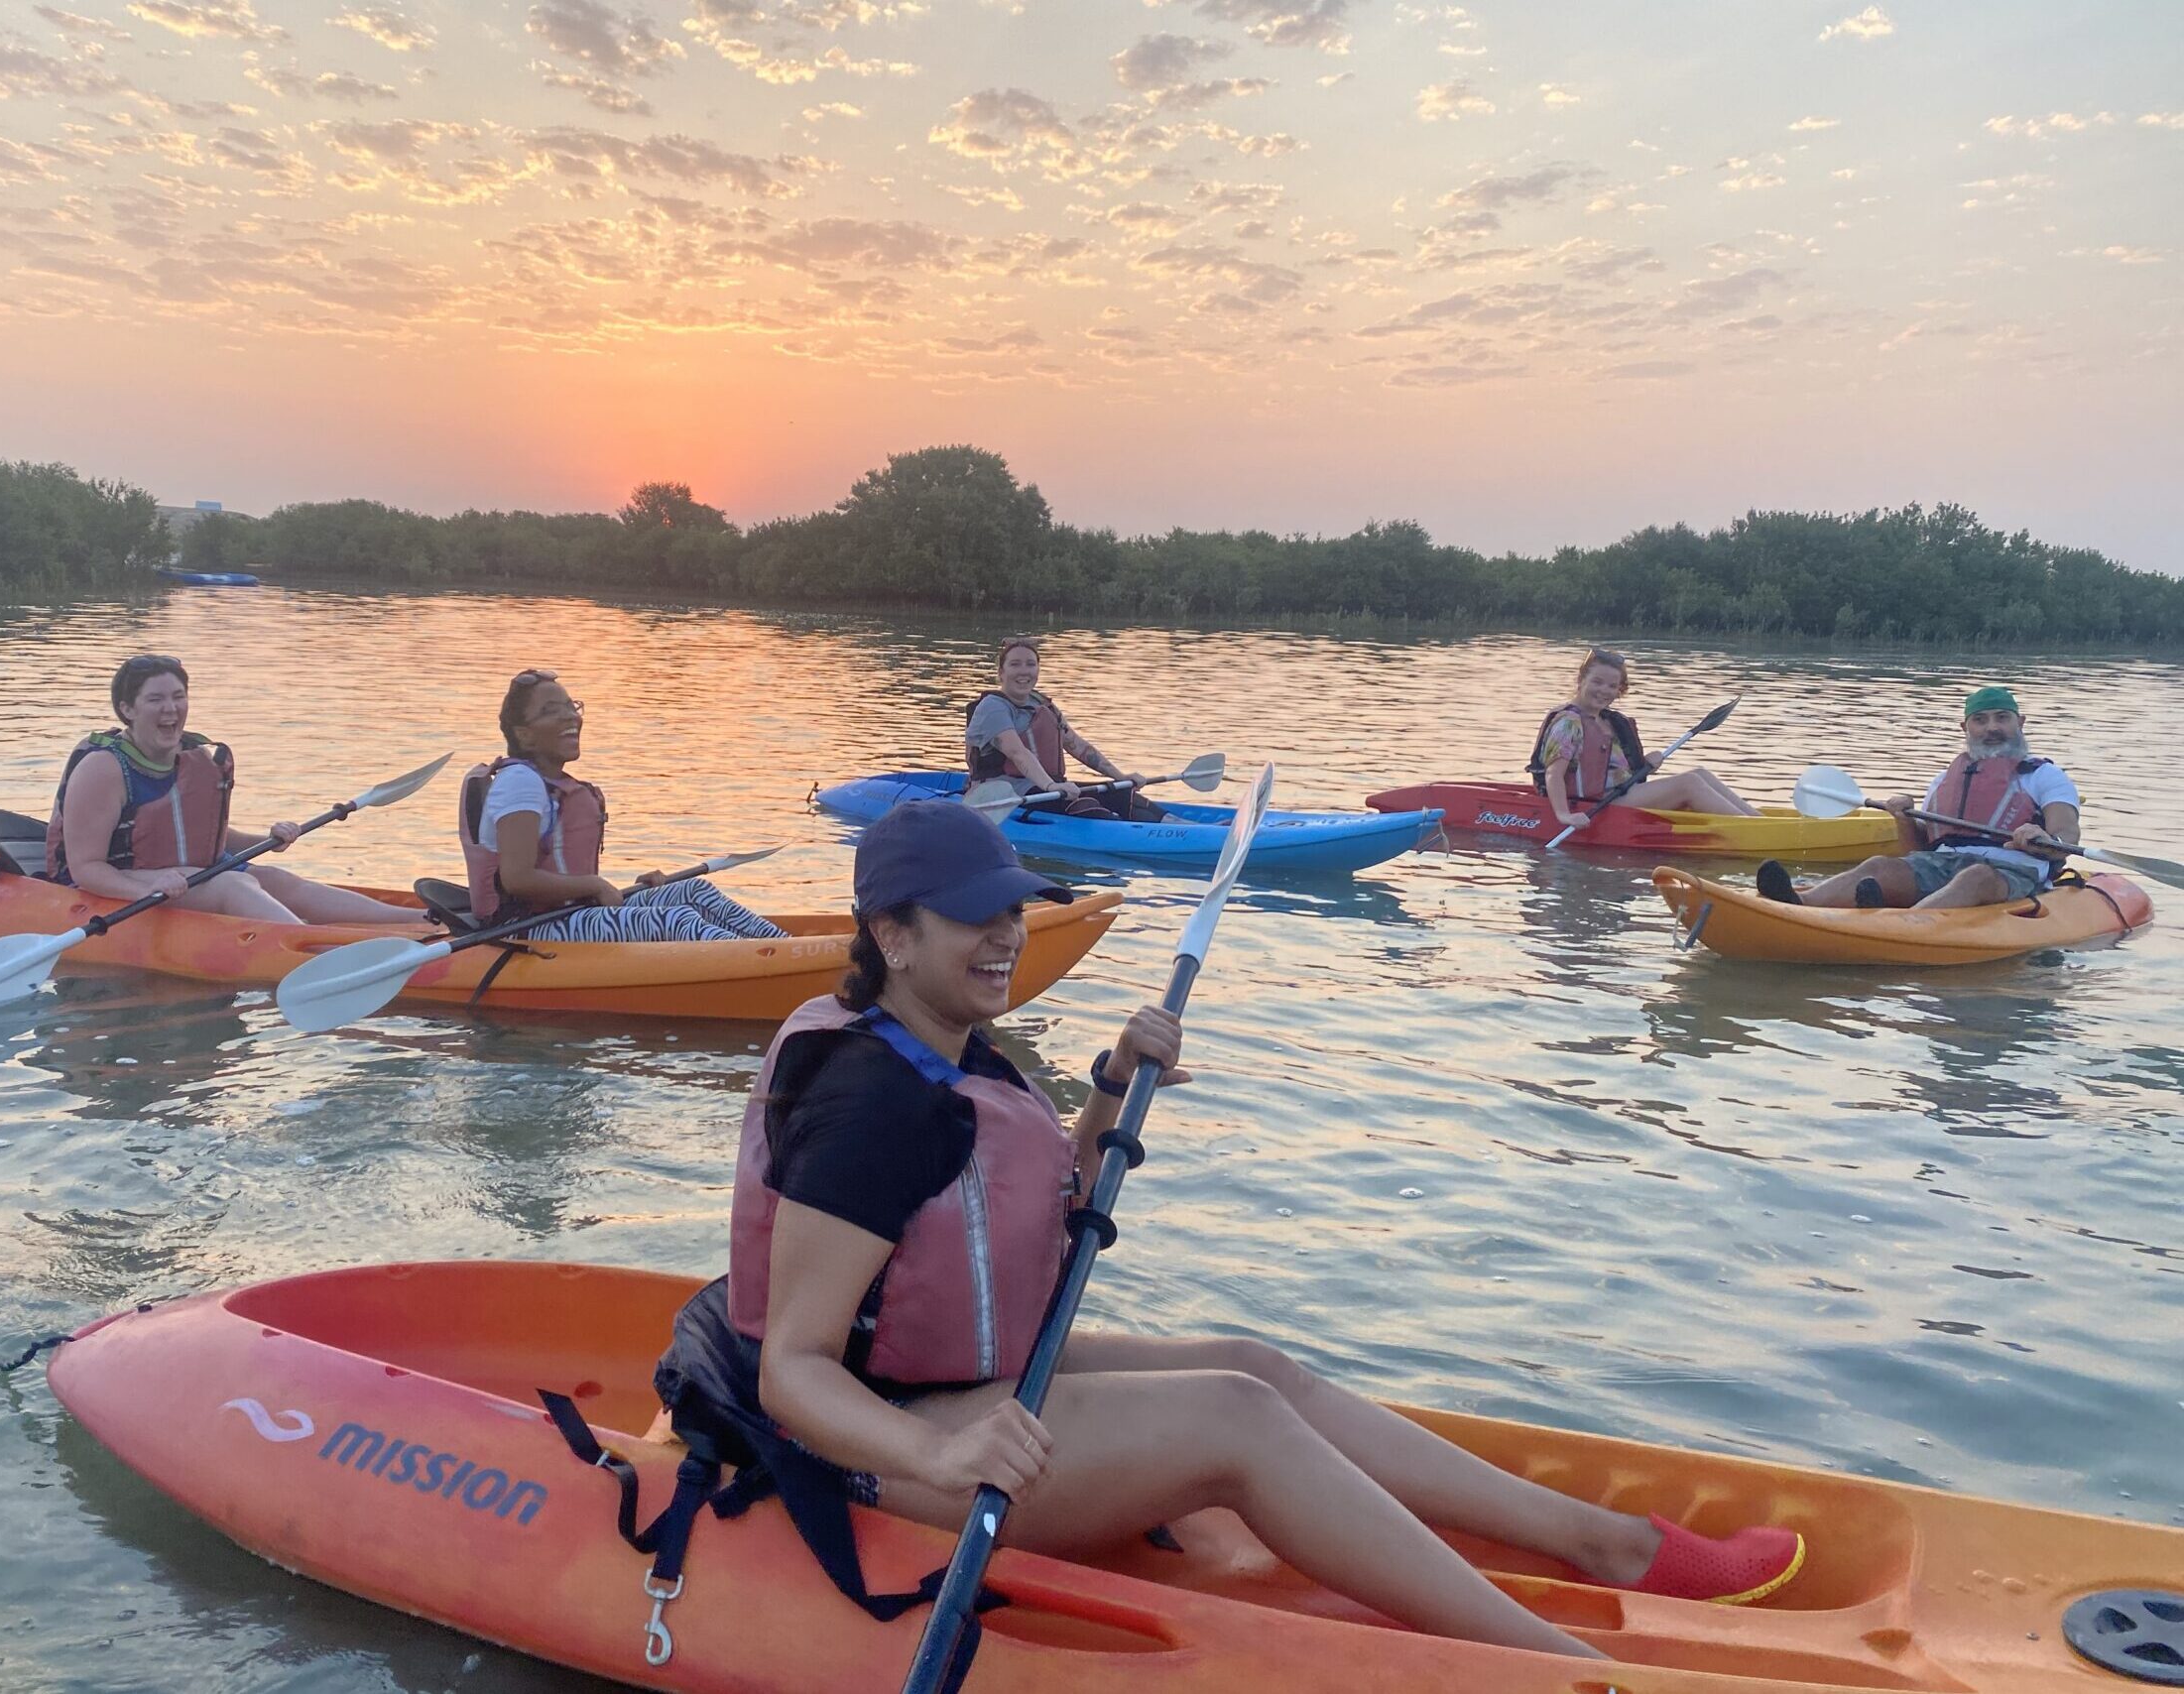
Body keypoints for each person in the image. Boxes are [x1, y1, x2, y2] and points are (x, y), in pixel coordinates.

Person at [645, 800, 1805, 1659]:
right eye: (970, 922)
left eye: (1011, 912)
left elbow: (1003, 1221)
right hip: (867, 1437)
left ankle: (1605, 1542)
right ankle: (1568, 1671)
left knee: (1257, 1364)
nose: (1001, 939)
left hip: (943, 1377)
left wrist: (1105, 1091)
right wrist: (941, 1454)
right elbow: (796, 1368)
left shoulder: (935, 1035)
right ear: (891, 934)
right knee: (1235, 1419)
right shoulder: (867, 1103)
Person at [46, 654, 417, 925]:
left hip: (177, 873)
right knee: (233, 886)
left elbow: (201, 836)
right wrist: (146, 890)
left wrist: (269, 837)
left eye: (178, 696)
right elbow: (86, 868)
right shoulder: (103, 768)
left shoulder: (192, 756)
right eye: (155, 699)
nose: (170, 708)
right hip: (115, 879)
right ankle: (313, 951)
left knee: (273, 879)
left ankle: (420, 919)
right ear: (127, 709)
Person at [459, 668, 789, 942]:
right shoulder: (520, 782)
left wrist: (610, 887)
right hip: (527, 930)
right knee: (675, 921)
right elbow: (517, 879)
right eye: (550, 711)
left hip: (572, 912)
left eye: (570, 706)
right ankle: (772, 965)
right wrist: (596, 885)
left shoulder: (550, 782)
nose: (569, 716)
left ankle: (783, 948)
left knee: (693, 891)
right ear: (524, 735)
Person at [1759, 685, 2079, 909]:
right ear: (1965, 727)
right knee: (1879, 866)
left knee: (1975, 877)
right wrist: (1903, 819)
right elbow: (1918, 850)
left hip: (2012, 872)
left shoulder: (2044, 775)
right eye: (1980, 720)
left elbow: (2067, 833)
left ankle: (1903, 922)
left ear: (2019, 723)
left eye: (2001, 718)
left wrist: (2043, 837)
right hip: (1942, 863)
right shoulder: (1944, 779)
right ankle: (1797, 904)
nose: (1991, 728)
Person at [1529, 648, 1758, 825]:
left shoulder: (1606, 720)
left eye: (1612, 686)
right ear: (1581, 681)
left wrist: (1645, 764)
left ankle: (1759, 822)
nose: (1604, 690)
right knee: (1689, 784)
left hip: (1619, 794)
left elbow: (1609, 768)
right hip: (1594, 804)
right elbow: (1553, 774)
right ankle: (1754, 831)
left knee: (1699, 774)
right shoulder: (1569, 723)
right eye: (1597, 682)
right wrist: (1564, 815)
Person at [964, 636, 1164, 821]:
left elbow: (1077, 745)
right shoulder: (992, 707)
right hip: (1004, 792)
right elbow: (1017, 753)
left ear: (1038, 670)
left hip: (1046, 788)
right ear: (1001, 672)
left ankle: (1178, 826)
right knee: (1084, 805)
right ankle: (1128, 834)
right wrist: (1051, 786)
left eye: (1031, 664)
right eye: (1015, 664)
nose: (1024, 671)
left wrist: (1120, 777)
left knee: (1122, 794)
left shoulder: (1041, 703)